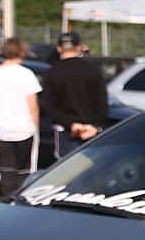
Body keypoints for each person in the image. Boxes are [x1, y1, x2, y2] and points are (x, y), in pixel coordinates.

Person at [0, 37, 42, 197]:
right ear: (22, 52)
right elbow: (33, 105)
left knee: (5, 169)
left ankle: (7, 198)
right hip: (25, 127)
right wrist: (36, 126)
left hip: (1, 128)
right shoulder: (26, 74)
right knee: (26, 170)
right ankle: (22, 198)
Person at [39, 30, 108, 162]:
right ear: (79, 47)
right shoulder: (93, 70)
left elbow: (49, 106)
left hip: (65, 130)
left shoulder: (52, 73)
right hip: (91, 130)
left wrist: (71, 124)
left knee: (66, 169)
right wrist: (94, 125)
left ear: (59, 49)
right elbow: (102, 101)